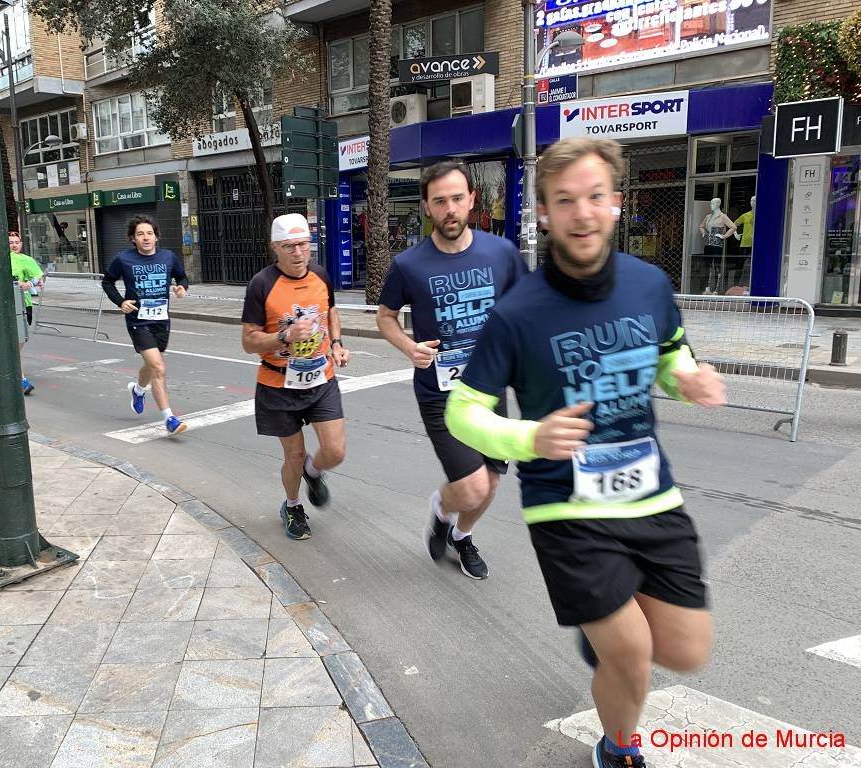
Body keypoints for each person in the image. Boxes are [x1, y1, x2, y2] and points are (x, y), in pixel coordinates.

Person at [445, 137, 726, 768]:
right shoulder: (517, 314)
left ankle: (601, 637)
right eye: (565, 200)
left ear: (616, 204)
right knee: (629, 651)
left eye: (595, 197)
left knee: (686, 652)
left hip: (653, 494)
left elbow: (666, 355)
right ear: (544, 211)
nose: (582, 213)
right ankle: (618, 748)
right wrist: (529, 438)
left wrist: (686, 378)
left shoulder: (650, 285)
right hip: (564, 507)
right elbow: (462, 413)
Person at [377, 161, 526, 580]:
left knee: (492, 483)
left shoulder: (502, 254)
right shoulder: (409, 265)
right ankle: (442, 509)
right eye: (440, 201)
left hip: (490, 390)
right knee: (473, 485)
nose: (450, 209)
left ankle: (462, 536)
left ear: (472, 200)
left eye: (457, 198)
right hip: (440, 394)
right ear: (426, 206)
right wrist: (409, 347)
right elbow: (386, 316)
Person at [241, 213, 350, 540]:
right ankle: (292, 505)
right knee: (294, 455)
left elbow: (330, 310)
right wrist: (284, 337)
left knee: (335, 452)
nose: (298, 253)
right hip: (278, 384)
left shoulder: (320, 275)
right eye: (289, 246)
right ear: (275, 247)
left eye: (303, 244)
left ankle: (313, 473)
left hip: (321, 378)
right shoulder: (261, 284)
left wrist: (337, 343)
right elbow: (248, 341)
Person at [101, 214, 190, 435]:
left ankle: (138, 390)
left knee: (153, 364)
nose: (146, 238)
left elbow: (182, 277)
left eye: (149, 233)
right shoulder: (123, 259)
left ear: (156, 237)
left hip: (161, 321)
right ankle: (169, 418)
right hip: (138, 321)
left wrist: (181, 288)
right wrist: (120, 301)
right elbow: (107, 281)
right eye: (140, 234)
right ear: (133, 238)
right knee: (158, 367)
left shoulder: (168, 257)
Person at [8, 231, 44, 395]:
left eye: (16, 242)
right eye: (10, 242)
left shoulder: (26, 260)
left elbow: (40, 277)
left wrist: (29, 283)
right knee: (13, 345)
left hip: (23, 305)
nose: (14, 245)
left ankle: (14, 374)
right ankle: (20, 379)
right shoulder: (1, 258)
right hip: (5, 305)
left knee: (18, 343)